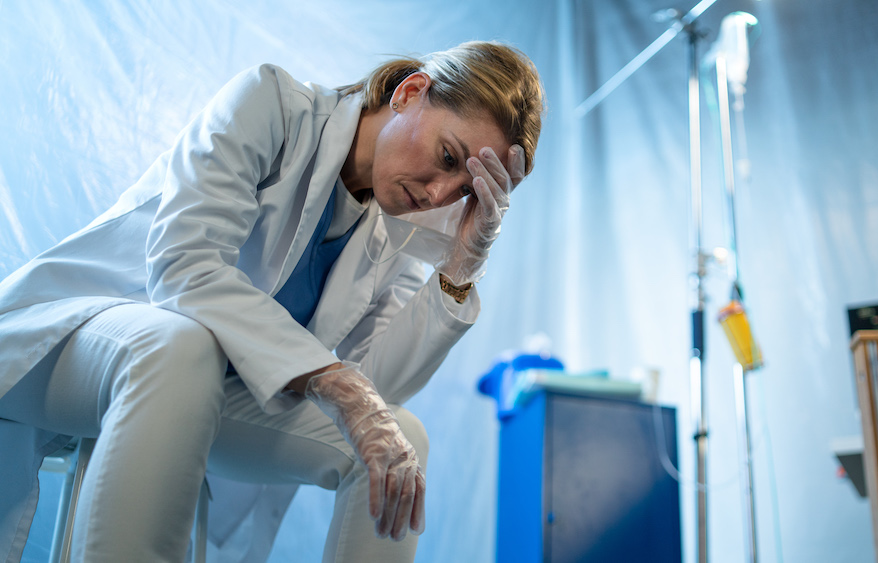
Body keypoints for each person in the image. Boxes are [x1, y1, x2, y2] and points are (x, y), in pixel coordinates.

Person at [0, 40, 544, 562]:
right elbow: (183, 265)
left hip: (203, 396)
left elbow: (376, 391)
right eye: (448, 157)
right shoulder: (272, 106)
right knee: (183, 343)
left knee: (402, 438)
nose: (438, 195)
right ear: (409, 92)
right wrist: (334, 378)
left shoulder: (395, 236)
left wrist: (461, 265)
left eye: (466, 190)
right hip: (71, 345)